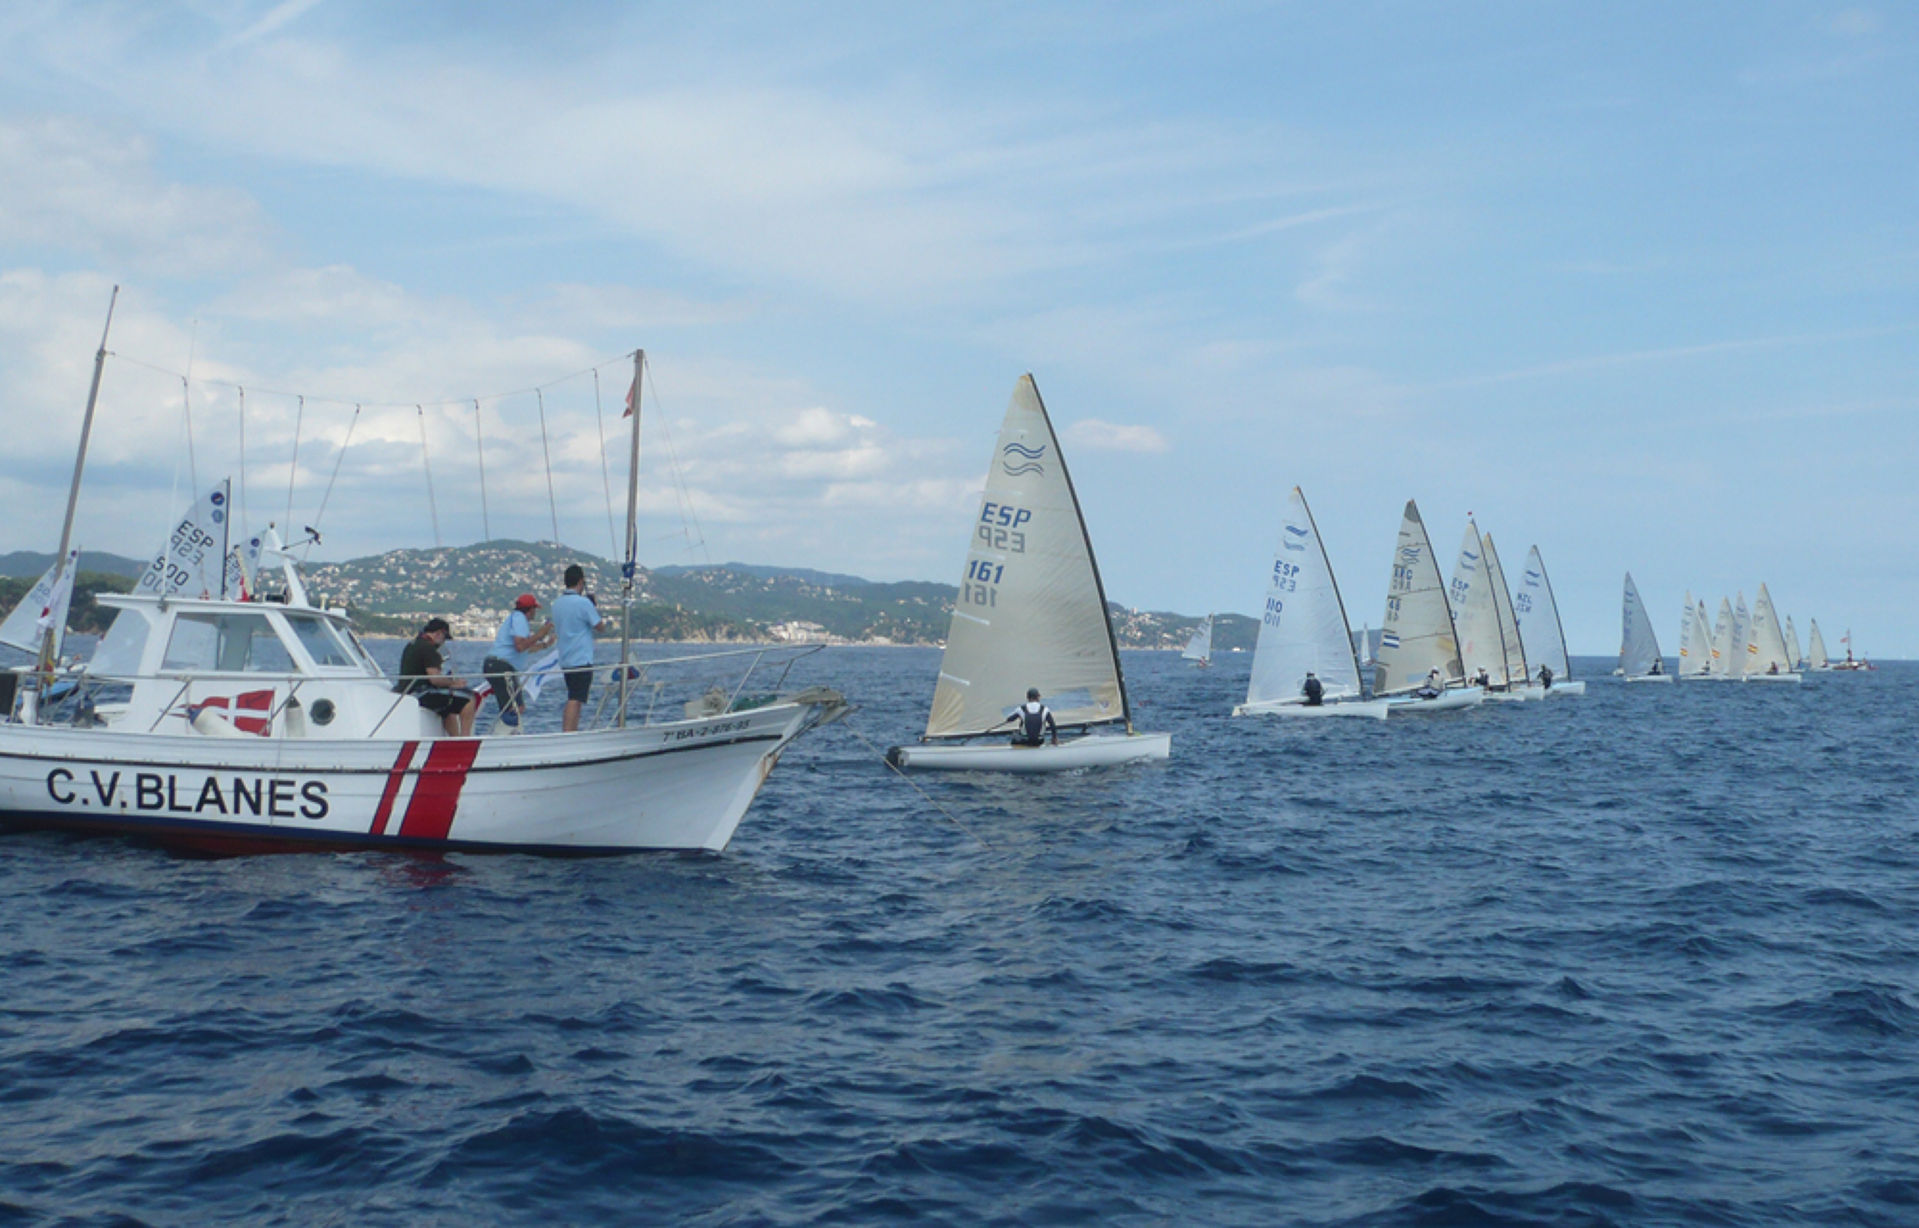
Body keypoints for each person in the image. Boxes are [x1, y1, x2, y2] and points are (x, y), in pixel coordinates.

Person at [483, 593, 555, 728]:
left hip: (499, 665)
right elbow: (520, 646)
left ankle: (507, 733)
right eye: (535, 609)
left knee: (517, 706)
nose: (535, 612)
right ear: (530, 609)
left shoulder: (515, 619)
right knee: (514, 707)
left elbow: (525, 647)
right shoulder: (519, 619)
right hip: (502, 666)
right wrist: (540, 634)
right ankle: (507, 738)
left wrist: (545, 645)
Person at [397, 617, 474, 736]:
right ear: (439, 634)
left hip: (406, 689)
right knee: (468, 699)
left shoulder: (413, 644)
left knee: (448, 709)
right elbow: (435, 679)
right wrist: (453, 683)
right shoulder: (429, 649)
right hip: (419, 692)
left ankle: (455, 739)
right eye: (444, 638)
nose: (443, 642)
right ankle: (465, 738)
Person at [552, 564, 606, 732]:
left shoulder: (557, 604)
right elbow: (600, 626)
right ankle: (568, 733)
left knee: (574, 696)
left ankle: (571, 731)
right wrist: (593, 606)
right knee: (575, 699)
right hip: (581, 659)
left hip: (566, 659)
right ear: (581, 582)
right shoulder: (583, 603)